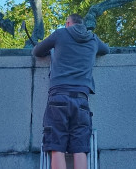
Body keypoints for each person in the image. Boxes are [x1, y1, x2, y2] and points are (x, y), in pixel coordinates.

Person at [32, 13, 110, 169]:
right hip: (82, 100)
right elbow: (106, 50)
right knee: (80, 148)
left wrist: (53, 52)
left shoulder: (60, 33)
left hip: (58, 97)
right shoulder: (93, 38)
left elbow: (37, 51)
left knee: (57, 148)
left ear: (68, 23)